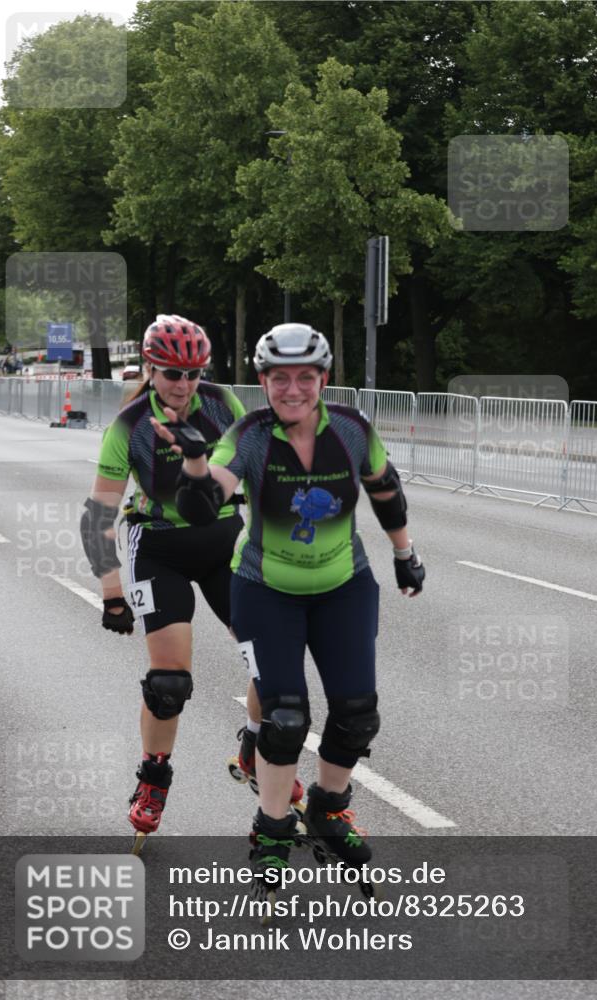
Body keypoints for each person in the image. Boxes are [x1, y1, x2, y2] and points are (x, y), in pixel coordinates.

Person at [152, 322, 426, 896]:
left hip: (344, 587)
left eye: (306, 376)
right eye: (281, 378)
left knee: (357, 714)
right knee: (284, 718)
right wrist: (198, 468)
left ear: (323, 378)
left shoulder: (352, 428)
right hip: (265, 590)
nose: (294, 389)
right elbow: (204, 506)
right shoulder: (249, 437)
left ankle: (329, 807)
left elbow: (385, 486)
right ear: (264, 381)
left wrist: (405, 554)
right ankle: (271, 830)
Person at [81, 314, 255, 851]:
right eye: (172, 373)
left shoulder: (224, 406)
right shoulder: (128, 426)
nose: (183, 385)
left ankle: (256, 746)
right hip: (160, 549)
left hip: (225, 543)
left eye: (193, 373)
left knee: (272, 663)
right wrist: (111, 592)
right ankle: (154, 778)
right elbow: (100, 514)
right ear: (151, 368)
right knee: (169, 684)